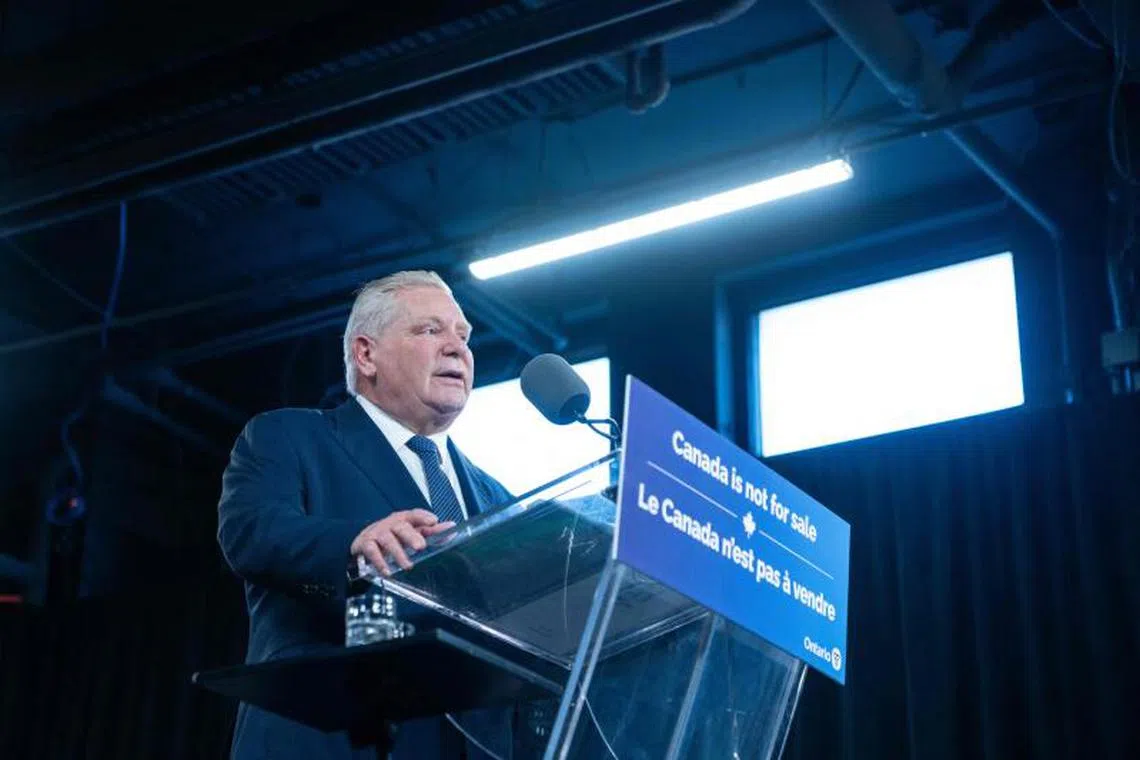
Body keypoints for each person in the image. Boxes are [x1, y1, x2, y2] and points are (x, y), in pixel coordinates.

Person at [217, 270, 514, 760]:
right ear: (366, 354)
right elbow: (251, 533)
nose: (457, 348)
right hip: (333, 740)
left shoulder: (496, 496)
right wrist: (353, 544)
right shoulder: (291, 437)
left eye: (463, 335)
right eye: (429, 330)